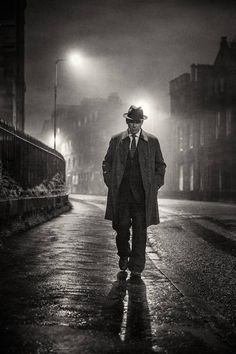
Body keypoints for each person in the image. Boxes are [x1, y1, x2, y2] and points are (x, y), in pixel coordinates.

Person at [102, 105, 166, 280]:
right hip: (121, 195)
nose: (134, 126)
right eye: (131, 122)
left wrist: (155, 185)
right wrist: (110, 181)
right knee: (121, 227)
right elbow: (107, 163)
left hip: (142, 196)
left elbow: (160, 166)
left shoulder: (152, 141)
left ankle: (137, 266)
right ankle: (124, 253)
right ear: (127, 122)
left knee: (140, 231)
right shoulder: (117, 140)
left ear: (141, 122)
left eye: (137, 122)